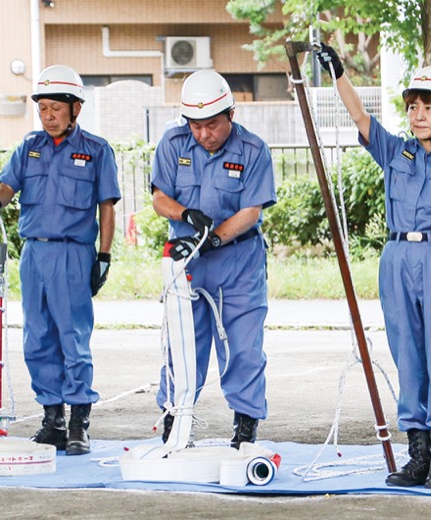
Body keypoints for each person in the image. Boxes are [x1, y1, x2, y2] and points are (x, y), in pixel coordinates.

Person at [315, 44, 431, 490]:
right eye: (412, 107)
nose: (418, 115)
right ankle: (418, 457)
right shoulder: (395, 152)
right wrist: (338, 73)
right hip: (397, 259)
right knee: (407, 354)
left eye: (429, 107)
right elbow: (359, 116)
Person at [0, 65, 119, 456]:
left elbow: (107, 208)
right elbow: (7, 184)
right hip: (34, 253)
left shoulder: (96, 150)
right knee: (37, 337)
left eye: (56, 108)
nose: (49, 116)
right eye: (42, 108)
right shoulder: (29, 147)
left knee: (73, 337)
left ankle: (78, 423)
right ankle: (53, 419)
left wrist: (104, 256)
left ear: (76, 108)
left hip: (73, 252)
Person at [150, 69, 276, 449]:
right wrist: (186, 215)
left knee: (243, 346)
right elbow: (159, 197)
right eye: (196, 126)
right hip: (187, 262)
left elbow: (251, 211)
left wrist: (214, 238)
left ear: (231, 115)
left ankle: (245, 427)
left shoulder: (253, 150)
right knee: (183, 345)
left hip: (238, 263)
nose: (204, 134)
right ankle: (174, 418)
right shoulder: (173, 144)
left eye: (212, 125)